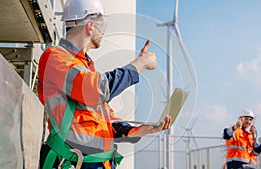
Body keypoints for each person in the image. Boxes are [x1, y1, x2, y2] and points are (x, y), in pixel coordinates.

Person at [38, 0, 171, 168]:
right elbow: (96, 90)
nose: (104, 32)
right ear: (90, 26)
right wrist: (140, 63)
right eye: (103, 26)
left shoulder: (86, 67)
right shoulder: (55, 58)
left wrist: (140, 130)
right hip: (73, 162)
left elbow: (104, 120)